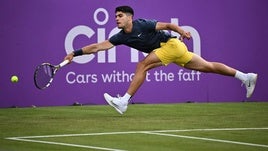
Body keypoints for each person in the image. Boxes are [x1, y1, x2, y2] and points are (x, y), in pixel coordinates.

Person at [64, 6, 257, 114]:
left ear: (130, 17)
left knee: (142, 65)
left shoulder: (143, 24)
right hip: (173, 51)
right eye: (115, 16)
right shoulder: (120, 36)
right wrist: (75, 52)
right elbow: (97, 47)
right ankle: (245, 77)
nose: (117, 19)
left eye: (120, 16)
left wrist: (182, 31)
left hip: (172, 45)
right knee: (207, 67)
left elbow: (167, 24)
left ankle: (124, 101)